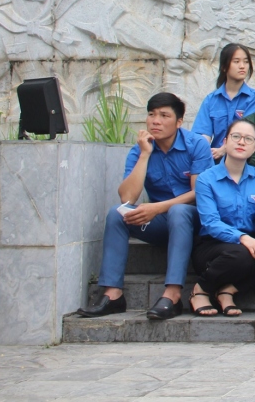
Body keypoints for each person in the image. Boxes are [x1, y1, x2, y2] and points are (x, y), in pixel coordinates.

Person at [78, 93, 212, 320]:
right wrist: (144, 155)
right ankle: (113, 294)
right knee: (116, 214)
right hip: (162, 223)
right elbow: (127, 198)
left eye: (164, 115)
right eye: (151, 115)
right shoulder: (140, 149)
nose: (155, 121)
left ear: (179, 122)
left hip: (195, 222)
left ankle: (173, 294)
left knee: (178, 211)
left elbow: (198, 194)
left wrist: (158, 208)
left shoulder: (196, 145)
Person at [189, 120, 255, 316]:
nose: (241, 142)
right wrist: (242, 238)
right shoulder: (206, 179)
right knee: (241, 254)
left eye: (248, 139)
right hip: (214, 247)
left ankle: (228, 290)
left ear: (254, 147)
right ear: (225, 141)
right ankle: (201, 289)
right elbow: (211, 223)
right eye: (236, 137)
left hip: (249, 243)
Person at [190, 44, 255, 160]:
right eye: (236, 61)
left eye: (246, 62)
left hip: (246, 161)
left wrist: (224, 149)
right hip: (215, 160)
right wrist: (205, 151)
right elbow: (202, 134)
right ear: (224, 66)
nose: (242, 66)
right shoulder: (211, 100)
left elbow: (246, 130)